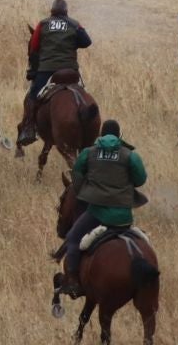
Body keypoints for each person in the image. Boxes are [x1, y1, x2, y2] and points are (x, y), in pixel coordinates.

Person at [58, 119, 148, 301]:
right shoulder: (130, 155)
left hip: (96, 213)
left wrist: (85, 190)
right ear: (119, 135)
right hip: (123, 216)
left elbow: (76, 174)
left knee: (73, 238)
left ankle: (73, 280)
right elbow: (140, 180)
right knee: (144, 241)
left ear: (100, 135)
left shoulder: (88, 153)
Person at [18, 0, 93, 147]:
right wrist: (73, 42)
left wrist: (33, 70)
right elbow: (87, 41)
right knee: (82, 92)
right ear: (66, 11)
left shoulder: (43, 24)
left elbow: (33, 48)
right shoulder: (74, 24)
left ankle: (28, 128)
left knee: (33, 95)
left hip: (47, 69)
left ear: (51, 11)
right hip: (70, 69)